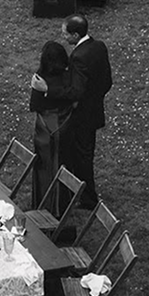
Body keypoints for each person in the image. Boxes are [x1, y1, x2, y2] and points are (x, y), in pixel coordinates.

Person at [31, 13, 112, 209]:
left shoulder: (78, 57)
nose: (64, 37)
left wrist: (47, 90)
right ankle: (79, 192)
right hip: (94, 111)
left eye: (66, 34)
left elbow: (76, 91)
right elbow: (106, 81)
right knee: (84, 155)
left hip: (82, 117)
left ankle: (87, 198)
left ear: (76, 35)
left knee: (82, 157)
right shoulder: (99, 46)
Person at [29, 40, 74, 208]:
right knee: (64, 162)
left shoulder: (40, 78)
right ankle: (62, 201)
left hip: (45, 129)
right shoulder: (68, 78)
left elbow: (34, 106)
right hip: (65, 127)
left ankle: (43, 201)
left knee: (43, 166)